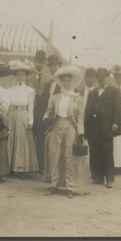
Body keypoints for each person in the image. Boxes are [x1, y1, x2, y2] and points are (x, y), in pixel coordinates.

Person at [43, 65, 85, 198]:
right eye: (64, 80)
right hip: (56, 125)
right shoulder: (55, 97)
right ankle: (55, 184)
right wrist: (45, 118)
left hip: (70, 127)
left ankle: (70, 186)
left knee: (69, 156)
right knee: (54, 154)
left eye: (69, 80)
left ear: (72, 82)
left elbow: (80, 117)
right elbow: (49, 111)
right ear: (61, 82)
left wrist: (80, 132)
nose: (66, 83)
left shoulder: (78, 99)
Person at [84, 68, 121, 188]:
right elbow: (88, 111)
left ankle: (109, 178)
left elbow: (119, 108)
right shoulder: (92, 92)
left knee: (107, 151)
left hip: (107, 127)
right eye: (99, 77)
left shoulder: (115, 91)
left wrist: (116, 122)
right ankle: (98, 177)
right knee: (94, 152)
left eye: (103, 77)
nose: (101, 79)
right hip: (93, 128)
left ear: (107, 77)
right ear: (96, 78)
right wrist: (86, 128)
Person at [7, 60, 39, 179]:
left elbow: (30, 106)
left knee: (21, 141)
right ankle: (10, 167)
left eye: (23, 75)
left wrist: (30, 120)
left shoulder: (30, 91)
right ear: (15, 76)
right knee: (11, 139)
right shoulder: (10, 90)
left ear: (26, 76)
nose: (20, 77)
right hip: (12, 114)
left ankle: (21, 169)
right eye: (18, 75)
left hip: (23, 114)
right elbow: (7, 105)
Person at [33, 55, 63, 173]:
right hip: (47, 117)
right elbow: (43, 103)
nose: (52, 69)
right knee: (42, 140)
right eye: (50, 66)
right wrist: (39, 118)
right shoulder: (49, 84)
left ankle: (57, 169)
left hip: (59, 117)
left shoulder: (64, 84)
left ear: (59, 66)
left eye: (55, 66)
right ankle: (43, 167)